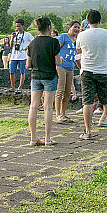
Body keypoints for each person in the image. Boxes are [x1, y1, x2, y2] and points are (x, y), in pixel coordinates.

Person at [75, 9, 107, 140]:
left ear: (87, 22)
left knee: (87, 101)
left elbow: (79, 50)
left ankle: (88, 132)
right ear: (100, 21)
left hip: (87, 70)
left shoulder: (82, 35)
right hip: (104, 70)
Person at [26, 17, 62, 146]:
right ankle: (47, 138)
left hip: (35, 76)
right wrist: (61, 60)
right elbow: (57, 62)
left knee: (33, 106)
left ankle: (33, 138)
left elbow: (28, 64)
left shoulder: (32, 43)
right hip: (50, 77)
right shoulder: (54, 42)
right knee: (47, 107)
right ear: (49, 27)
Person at [55, 20, 79, 124]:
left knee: (67, 91)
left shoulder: (76, 40)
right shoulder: (63, 37)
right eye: (75, 27)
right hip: (61, 66)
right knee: (60, 90)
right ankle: (58, 114)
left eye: (78, 27)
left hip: (71, 67)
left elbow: (76, 55)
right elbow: (56, 49)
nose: (76, 29)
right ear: (69, 27)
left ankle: (63, 113)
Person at [9, 18, 34, 93]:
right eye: (16, 26)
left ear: (22, 26)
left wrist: (27, 47)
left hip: (22, 56)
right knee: (12, 72)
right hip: (14, 56)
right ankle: (12, 87)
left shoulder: (27, 34)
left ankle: (20, 87)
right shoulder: (14, 34)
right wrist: (12, 38)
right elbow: (10, 45)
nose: (17, 28)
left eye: (19, 26)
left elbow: (33, 41)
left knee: (22, 72)